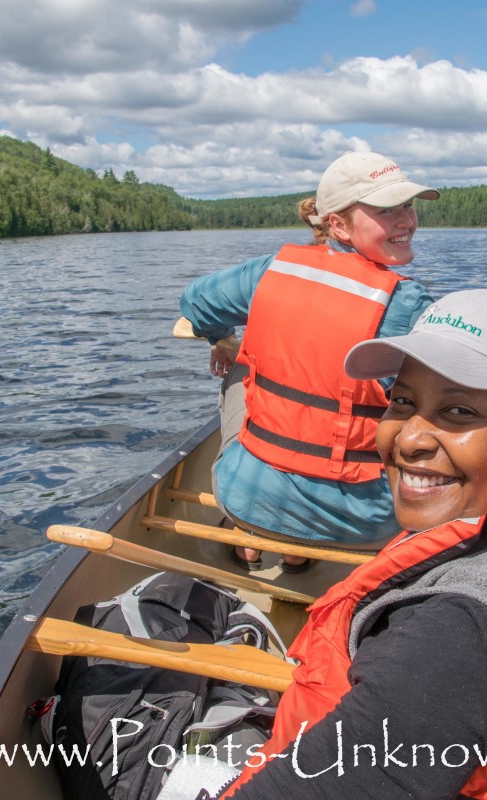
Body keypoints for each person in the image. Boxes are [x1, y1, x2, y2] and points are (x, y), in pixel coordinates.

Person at [0, 291, 487, 800]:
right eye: (402, 402)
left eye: (457, 412)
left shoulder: (453, 641)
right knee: (185, 596)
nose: (410, 438)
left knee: (104, 668)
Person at [178, 151, 439, 571]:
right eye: (386, 210)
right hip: (364, 526)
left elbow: (196, 302)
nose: (407, 220)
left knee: (242, 366)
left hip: (244, 500)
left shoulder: (269, 271)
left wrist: (222, 339)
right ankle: (297, 552)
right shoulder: (409, 305)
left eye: (407, 205)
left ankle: (257, 540)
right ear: (338, 225)